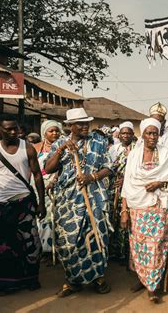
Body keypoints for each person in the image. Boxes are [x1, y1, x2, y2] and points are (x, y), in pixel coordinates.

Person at [44, 108, 113, 297]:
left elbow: (109, 167)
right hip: (68, 200)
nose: (85, 126)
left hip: (94, 197)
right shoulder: (59, 143)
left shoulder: (99, 141)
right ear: (70, 126)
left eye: (86, 123)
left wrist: (92, 176)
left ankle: (98, 277)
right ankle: (73, 280)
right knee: (69, 241)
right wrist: (61, 149)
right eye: (80, 124)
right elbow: (48, 169)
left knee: (96, 237)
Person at [120, 118, 168, 303]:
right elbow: (127, 183)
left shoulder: (167, 153)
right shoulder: (134, 155)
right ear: (143, 135)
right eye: (149, 133)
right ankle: (142, 278)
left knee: (156, 245)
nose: (153, 136)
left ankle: (153, 285)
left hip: (158, 204)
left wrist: (160, 182)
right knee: (139, 245)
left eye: (155, 133)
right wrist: (124, 210)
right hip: (136, 206)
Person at [0, 115, 45, 293]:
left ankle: (31, 279)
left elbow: (38, 175)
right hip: (1, 203)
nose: (12, 132)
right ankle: (6, 283)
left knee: (31, 242)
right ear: (0, 130)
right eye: (8, 129)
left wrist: (41, 203)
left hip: (23, 201)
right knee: (4, 246)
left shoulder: (28, 148)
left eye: (15, 128)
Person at [33, 120, 63, 256]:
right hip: (37, 186)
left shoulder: (62, 148)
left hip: (55, 187)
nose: (55, 133)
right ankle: (40, 247)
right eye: (51, 131)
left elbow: (60, 168)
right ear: (44, 133)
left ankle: (51, 249)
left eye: (57, 131)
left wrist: (54, 180)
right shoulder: (36, 147)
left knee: (53, 217)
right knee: (40, 217)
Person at [108, 121, 136, 263]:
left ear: (133, 134)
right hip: (115, 189)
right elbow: (108, 168)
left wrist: (126, 180)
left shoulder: (137, 149)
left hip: (131, 190)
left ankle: (128, 252)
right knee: (115, 218)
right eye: (123, 133)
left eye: (128, 133)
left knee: (129, 219)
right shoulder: (114, 149)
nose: (125, 135)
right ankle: (116, 251)